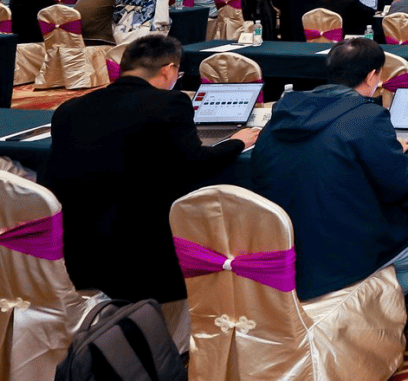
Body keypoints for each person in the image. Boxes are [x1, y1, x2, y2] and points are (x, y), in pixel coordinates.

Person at [49, 34, 256, 342]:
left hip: (80, 251)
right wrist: (238, 141)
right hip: (145, 256)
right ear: (169, 70)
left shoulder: (68, 109)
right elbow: (196, 163)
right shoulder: (170, 103)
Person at [252, 38, 408, 301]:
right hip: (344, 256)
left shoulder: (284, 112)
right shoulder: (367, 117)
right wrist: (393, 152)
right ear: (371, 76)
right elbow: (399, 185)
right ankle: (372, 304)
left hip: (283, 250)